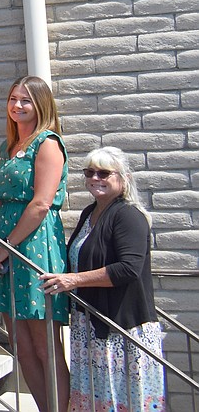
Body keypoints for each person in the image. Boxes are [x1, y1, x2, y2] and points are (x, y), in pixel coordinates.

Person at [40, 147, 166, 412]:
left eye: (104, 173)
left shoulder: (128, 215)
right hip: (91, 328)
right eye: (89, 172)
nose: (95, 178)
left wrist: (74, 280)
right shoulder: (89, 213)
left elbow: (128, 269)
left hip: (122, 331)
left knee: (123, 402)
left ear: (123, 178)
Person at [0, 75, 70, 412]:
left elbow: (40, 204)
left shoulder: (47, 143)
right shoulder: (7, 147)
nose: (17, 105)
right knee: (20, 343)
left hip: (35, 247)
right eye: (14, 98)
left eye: (26, 100)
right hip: (8, 249)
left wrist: (7, 247)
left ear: (40, 105)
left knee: (45, 344)